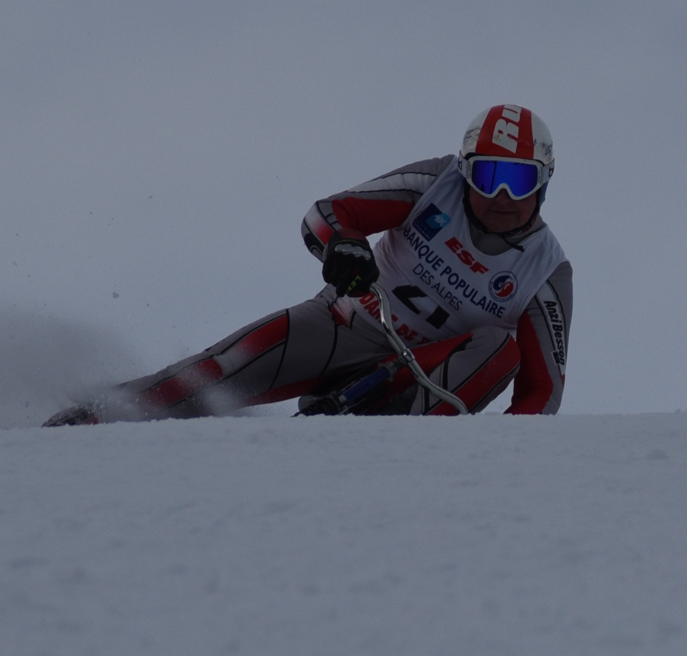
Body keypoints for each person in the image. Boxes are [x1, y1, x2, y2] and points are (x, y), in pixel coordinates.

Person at [46, 104, 572, 424]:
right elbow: (327, 214)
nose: (502, 197)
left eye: (520, 181)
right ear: (464, 171)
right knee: (218, 372)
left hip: (417, 381)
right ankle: (87, 419)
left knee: (500, 347)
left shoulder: (546, 270)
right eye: (488, 177)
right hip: (345, 324)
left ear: (545, 183)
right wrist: (343, 246)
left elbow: (542, 392)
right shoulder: (436, 184)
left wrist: (502, 464)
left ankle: (402, 447)